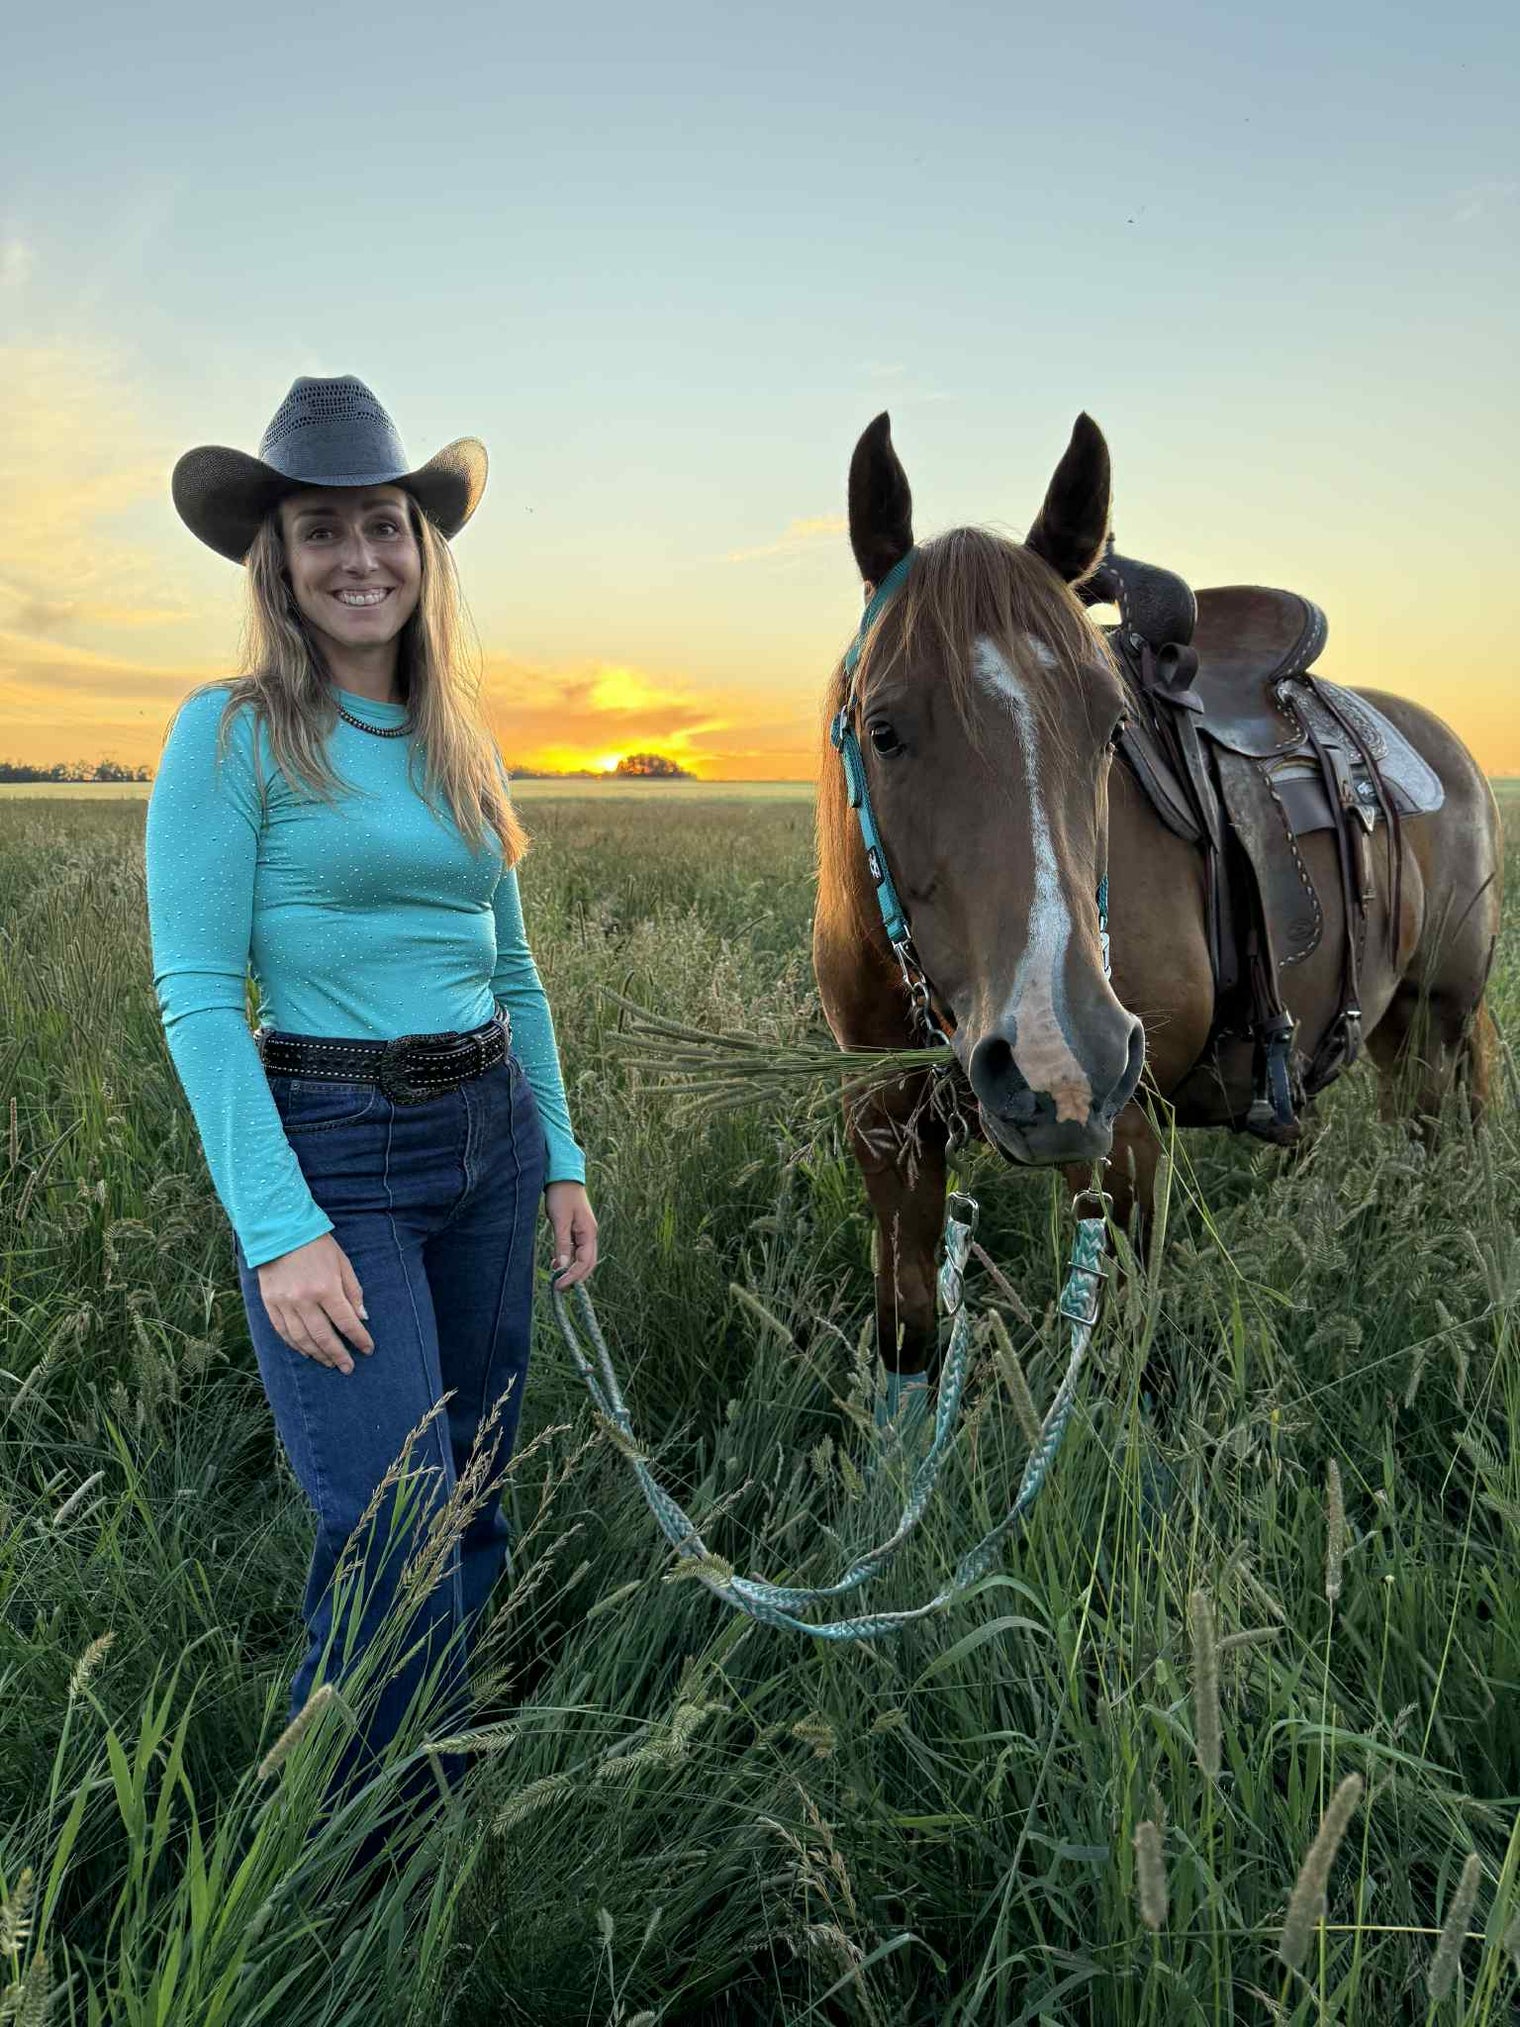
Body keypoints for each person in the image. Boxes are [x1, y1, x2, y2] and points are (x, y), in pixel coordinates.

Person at [145, 373, 598, 1805]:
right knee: (387, 1520)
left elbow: (512, 975)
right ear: (277, 560)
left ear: (425, 547)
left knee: (470, 1490)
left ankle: (444, 1793)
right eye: (323, 530)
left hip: (490, 1136)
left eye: (386, 526)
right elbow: (202, 1000)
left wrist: (564, 1152)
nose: (361, 559)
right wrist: (280, 1230)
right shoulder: (230, 735)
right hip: (335, 1147)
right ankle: (341, 1860)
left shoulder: (461, 739)